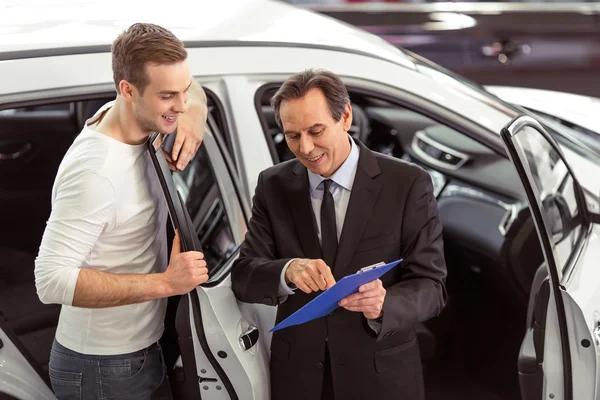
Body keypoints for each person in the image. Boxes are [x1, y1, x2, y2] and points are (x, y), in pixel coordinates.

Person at [231, 69, 447, 400]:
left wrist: (385, 303)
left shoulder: (407, 184)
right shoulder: (272, 185)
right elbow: (244, 276)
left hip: (380, 375)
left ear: (345, 117)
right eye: (292, 136)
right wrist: (287, 271)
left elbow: (432, 286)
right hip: (299, 376)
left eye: (316, 131)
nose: (305, 148)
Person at [34, 23, 209, 399]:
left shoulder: (130, 117)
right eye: (167, 97)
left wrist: (197, 111)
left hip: (143, 347)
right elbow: (50, 280)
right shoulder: (96, 173)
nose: (179, 105)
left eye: (183, 91)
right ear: (127, 90)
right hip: (101, 368)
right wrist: (167, 283)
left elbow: (189, 91)